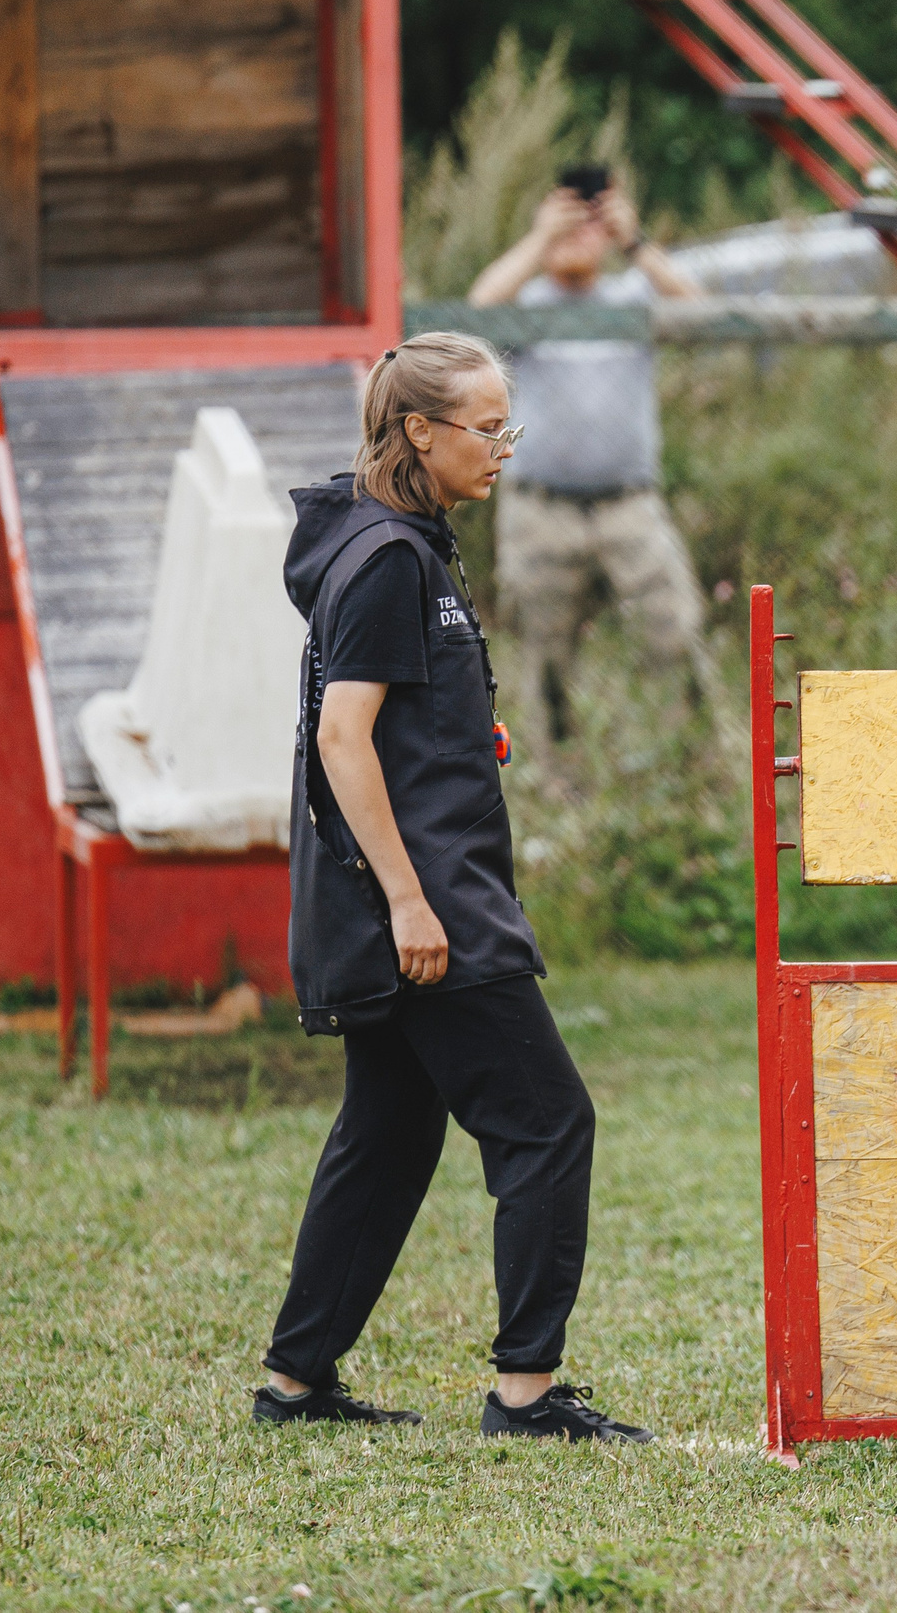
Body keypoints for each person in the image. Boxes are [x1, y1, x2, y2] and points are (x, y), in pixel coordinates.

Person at [257, 332, 651, 1442]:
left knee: (388, 1132)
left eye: (506, 427)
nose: (504, 449)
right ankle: (526, 1392)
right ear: (420, 433)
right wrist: (409, 901)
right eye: (486, 429)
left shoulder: (396, 541)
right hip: (427, 903)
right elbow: (343, 739)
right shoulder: (385, 557)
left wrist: (462, 733)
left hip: (421, 883)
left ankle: (296, 1383)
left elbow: (388, 717)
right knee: (546, 1121)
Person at [468, 167, 713, 747]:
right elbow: (477, 312)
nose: (579, 231)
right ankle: (560, 786)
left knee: (675, 633)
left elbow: (702, 313)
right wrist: (540, 240)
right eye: (567, 216)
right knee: (545, 660)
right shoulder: (523, 301)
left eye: (591, 218)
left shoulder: (631, 295)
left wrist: (634, 242)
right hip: (540, 510)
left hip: (629, 507)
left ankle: (695, 765)